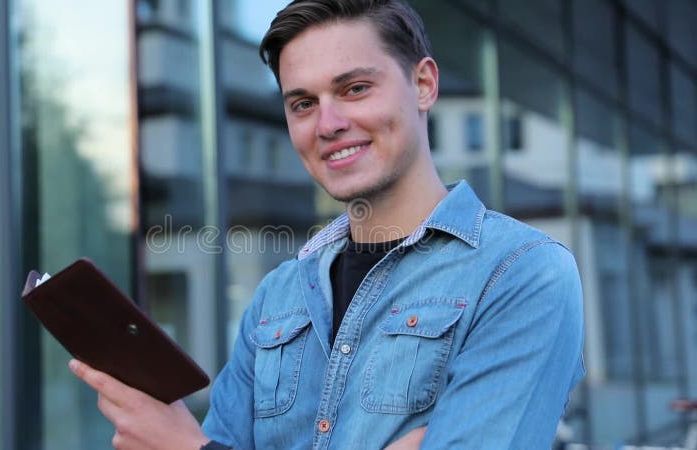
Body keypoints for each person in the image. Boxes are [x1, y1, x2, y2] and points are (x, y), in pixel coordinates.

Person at [68, 0, 585, 448]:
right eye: (303, 103)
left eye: (355, 88)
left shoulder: (522, 274)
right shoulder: (279, 298)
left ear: (423, 84)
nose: (329, 124)